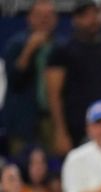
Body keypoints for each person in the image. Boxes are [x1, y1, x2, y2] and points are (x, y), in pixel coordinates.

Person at [46, 0, 101, 155]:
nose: (92, 19)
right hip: (77, 126)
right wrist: (60, 132)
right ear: (76, 19)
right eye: (86, 15)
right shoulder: (63, 49)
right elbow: (53, 94)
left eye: (95, 14)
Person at [2, 0, 58, 154]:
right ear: (29, 18)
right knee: (21, 166)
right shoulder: (16, 44)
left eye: (48, 16)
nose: (44, 20)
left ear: (55, 19)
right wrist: (28, 50)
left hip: (51, 120)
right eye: (39, 15)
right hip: (23, 121)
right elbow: (14, 80)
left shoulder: (61, 46)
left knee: (53, 166)